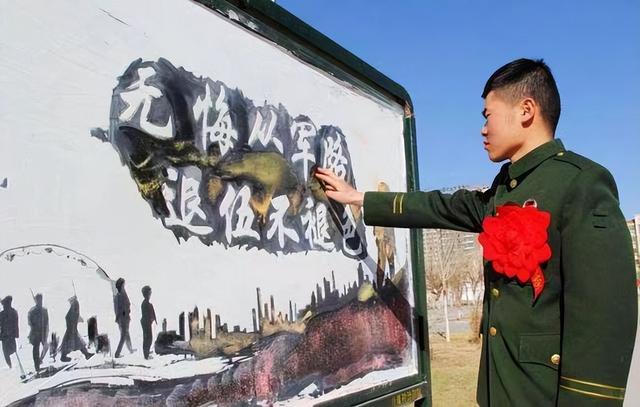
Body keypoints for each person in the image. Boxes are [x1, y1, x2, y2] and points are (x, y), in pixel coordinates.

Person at [314, 58, 638, 406]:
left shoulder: (579, 183)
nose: (483, 129)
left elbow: (604, 319)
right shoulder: (502, 191)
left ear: (526, 110)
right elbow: (439, 207)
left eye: (488, 115)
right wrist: (360, 198)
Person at [60, 296, 93, 362]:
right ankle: (63, 357)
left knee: (77, 343)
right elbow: (69, 318)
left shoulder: (73, 309)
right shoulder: (74, 309)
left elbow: (73, 318)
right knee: (72, 343)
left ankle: (86, 354)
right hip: (72, 329)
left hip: (72, 329)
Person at [113, 278, 135, 358]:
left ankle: (130, 349)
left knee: (126, 334)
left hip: (125, 318)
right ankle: (117, 353)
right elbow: (118, 309)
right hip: (123, 319)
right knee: (123, 336)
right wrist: (122, 317)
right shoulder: (119, 296)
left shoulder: (123, 294)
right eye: (123, 284)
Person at [27, 293, 49, 371]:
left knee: (46, 347)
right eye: (38, 300)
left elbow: (47, 322)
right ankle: (37, 366)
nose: (40, 301)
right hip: (35, 333)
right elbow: (29, 322)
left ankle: (40, 360)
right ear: (36, 300)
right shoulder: (32, 311)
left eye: (41, 300)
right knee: (36, 349)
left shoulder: (44, 310)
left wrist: (46, 332)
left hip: (43, 332)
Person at [0, 296, 19, 368]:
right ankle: (11, 366)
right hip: (8, 336)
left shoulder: (3, 314)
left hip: (7, 336)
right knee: (10, 351)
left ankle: (11, 366)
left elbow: (15, 324)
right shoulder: (13, 312)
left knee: (9, 352)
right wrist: (16, 334)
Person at [140, 285, 157, 360]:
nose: (150, 294)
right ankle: (146, 355)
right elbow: (147, 315)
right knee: (148, 338)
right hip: (146, 323)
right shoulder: (145, 303)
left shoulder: (146, 303)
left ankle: (147, 352)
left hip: (146, 322)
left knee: (148, 338)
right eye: (150, 293)